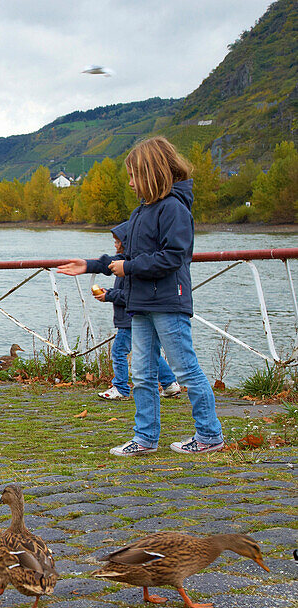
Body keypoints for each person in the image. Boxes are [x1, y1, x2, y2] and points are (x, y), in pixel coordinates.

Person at [58, 136, 224, 456]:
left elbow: (173, 257)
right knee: (142, 374)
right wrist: (91, 264)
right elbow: (127, 258)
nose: (131, 183)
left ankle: (209, 434)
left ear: (152, 173)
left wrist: (128, 267)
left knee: (186, 369)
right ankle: (146, 437)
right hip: (142, 305)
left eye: (135, 176)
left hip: (168, 303)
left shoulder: (174, 209)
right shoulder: (140, 213)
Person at [94, 222, 182, 402]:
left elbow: (129, 295)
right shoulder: (126, 264)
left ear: (126, 242)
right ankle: (169, 383)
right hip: (133, 316)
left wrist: (109, 295)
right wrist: (110, 293)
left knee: (119, 351)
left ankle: (121, 387)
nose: (115, 245)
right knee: (150, 352)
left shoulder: (129, 266)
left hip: (129, 317)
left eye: (117, 242)